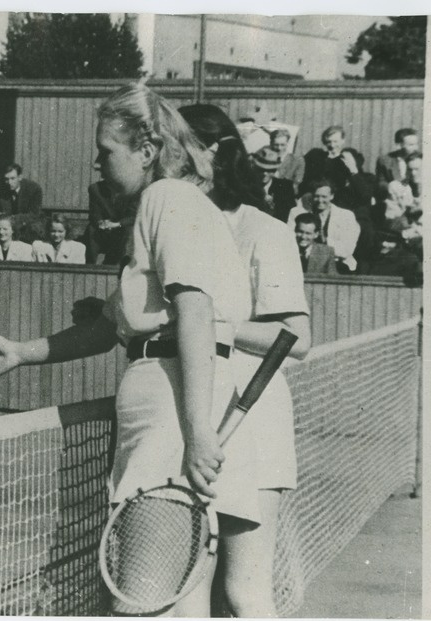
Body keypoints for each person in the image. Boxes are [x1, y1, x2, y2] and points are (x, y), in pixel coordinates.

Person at [0, 83, 261, 618]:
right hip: (180, 409)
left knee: (140, 603)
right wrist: (21, 352)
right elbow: (110, 327)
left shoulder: (165, 199)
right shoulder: (180, 206)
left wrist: (198, 432)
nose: (97, 162)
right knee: (182, 605)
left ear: (148, 151)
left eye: (107, 150)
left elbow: (196, 313)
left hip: (173, 418)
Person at [181, 103, 311, 617]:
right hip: (195, 420)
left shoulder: (264, 231)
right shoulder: (174, 223)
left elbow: (296, 338)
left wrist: (213, 325)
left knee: (244, 592)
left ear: (210, 154)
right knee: (190, 589)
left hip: (253, 422)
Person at [288, 180, 360, 273]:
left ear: (332, 196)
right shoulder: (297, 213)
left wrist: (325, 240)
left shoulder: (346, 216)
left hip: (339, 263)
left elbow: (346, 250)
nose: (320, 200)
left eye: (324, 197)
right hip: (305, 261)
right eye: (316, 196)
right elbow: (290, 240)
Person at [83, 178, 138, 264]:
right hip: (103, 229)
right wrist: (101, 223)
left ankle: (114, 267)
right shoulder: (95, 188)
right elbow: (94, 213)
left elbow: (132, 216)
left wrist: (116, 224)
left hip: (120, 229)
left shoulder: (133, 190)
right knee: (91, 230)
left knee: (128, 231)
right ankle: (90, 266)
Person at [300, 125, 361, 197]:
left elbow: (357, 182)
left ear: (343, 141)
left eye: (335, 141)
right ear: (325, 142)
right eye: (329, 142)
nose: (332, 145)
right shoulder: (316, 156)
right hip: (315, 196)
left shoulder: (348, 159)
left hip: (338, 197)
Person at [251, 146, 297, 223]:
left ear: (275, 170)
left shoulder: (285, 187)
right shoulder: (246, 186)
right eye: (261, 170)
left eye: (269, 170)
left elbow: (288, 215)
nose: (264, 174)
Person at [270, 128, 304, 194]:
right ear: (271, 143)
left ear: (288, 143)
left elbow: (296, 185)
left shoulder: (297, 160)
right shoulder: (263, 159)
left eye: (282, 145)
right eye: (276, 145)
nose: (279, 148)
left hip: (285, 197)